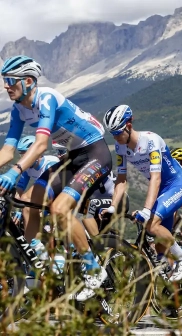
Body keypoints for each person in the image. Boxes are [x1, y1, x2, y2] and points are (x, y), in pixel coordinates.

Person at [0, 55, 111, 301]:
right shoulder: (18, 109)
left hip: (95, 153)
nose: (6, 86)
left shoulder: (46, 98)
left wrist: (15, 170)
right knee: (30, 202)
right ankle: (38, 260)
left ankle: (93, 269)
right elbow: (8, 150)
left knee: (59, 209)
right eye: (4, 80)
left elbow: (40, 145)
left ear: (28, 81)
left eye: (11, 80)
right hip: (71, 158)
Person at [102, 105, 182, 282]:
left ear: (128, 125)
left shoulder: (151, 140)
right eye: (112, 134)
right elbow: (121, 179)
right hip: (161, 191)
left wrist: (146, 210)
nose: (116, 138)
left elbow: (156, 178)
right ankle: (174, 292)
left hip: (176, 185)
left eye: (118, 132)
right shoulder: (120, 147)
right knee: (160, 251)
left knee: (150, 224)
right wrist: (113, 206)